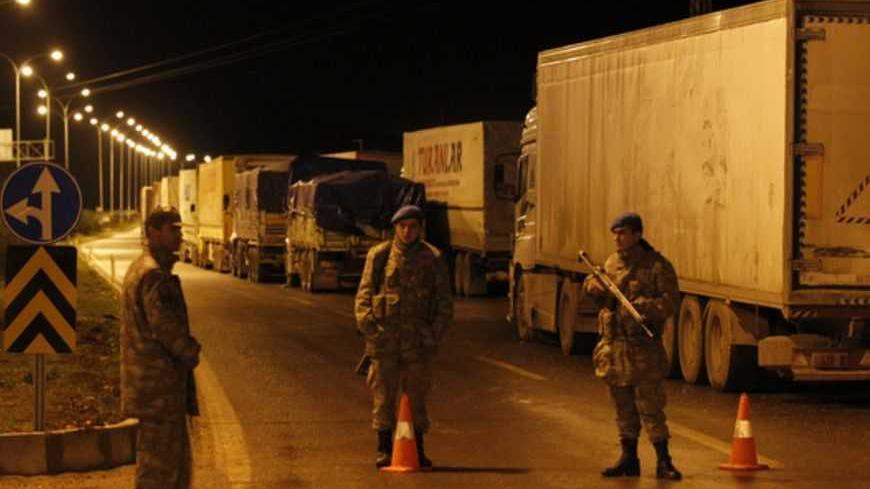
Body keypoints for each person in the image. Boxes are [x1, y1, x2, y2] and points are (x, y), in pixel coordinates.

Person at [583, 212, 682, 480]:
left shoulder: (656, 266)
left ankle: (663, 460)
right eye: (615, 233)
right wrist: (592, 288)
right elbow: (597, 290)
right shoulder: (611, 263)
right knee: (622, 406)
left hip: (642, 349)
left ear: (637, 235)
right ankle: (629, 458)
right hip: (615, 348)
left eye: (623, 233)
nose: (618, 238)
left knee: (650, 406)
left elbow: (670, 301)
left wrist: (642, 307)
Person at [355, 204, 453, 468]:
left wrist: (433, 334)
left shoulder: (432, 258)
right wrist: (371, 329)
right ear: (395, 228)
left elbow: (444, 303)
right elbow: (363, 296)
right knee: (383, 398)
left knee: (416, 400)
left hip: (418, 344)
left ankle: (416, 450)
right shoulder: (380, 256)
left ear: (420, 229)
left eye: (412, 227)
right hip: (385, 342)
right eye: (403, 227)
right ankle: (384, 448)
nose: (407, 232)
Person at [121, 208, 201, 488]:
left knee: (163, 463)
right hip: (160, 389)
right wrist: (190, 351)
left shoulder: (140, 268)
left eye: (180, 230)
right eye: (173, 230)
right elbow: (166, 327)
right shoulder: (154, 276)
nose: (179, 236)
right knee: (162, 469)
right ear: (153, 233)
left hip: (149, 386)